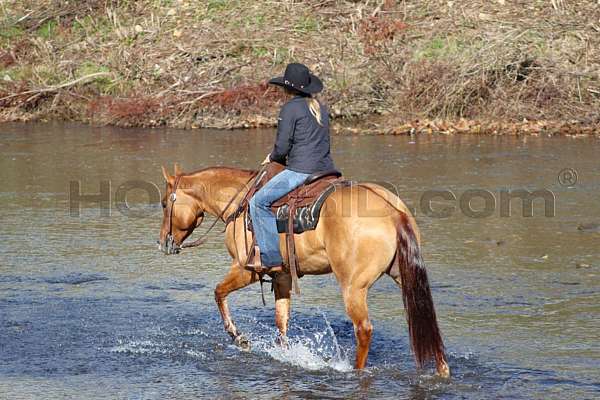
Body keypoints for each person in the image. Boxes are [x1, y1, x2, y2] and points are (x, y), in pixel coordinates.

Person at [249, 62, 336, 270]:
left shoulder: (290, 108)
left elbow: (282, 146)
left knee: (257, 202)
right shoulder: (320, 108)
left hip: (301, 171)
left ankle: (270, 258)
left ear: (287, 88)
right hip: (327, 170)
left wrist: (272, 157)